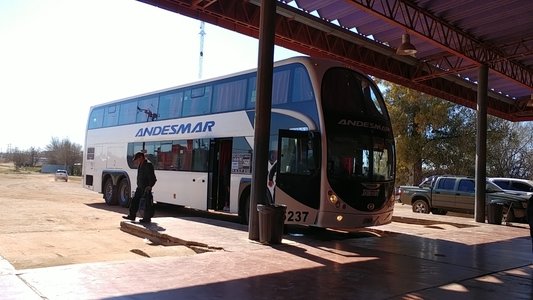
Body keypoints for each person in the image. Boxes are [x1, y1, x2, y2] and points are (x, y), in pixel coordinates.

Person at [123, 152, 157, 223]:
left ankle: (147, 218)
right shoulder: (140, 165)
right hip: (140, 187)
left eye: (137, 159)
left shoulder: (148, 165)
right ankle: (132, 215)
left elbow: (153, 178)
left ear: (141, 157)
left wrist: (150, 186)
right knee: (134, 200)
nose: (136, 161)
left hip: (146, 188)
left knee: (146, 203)